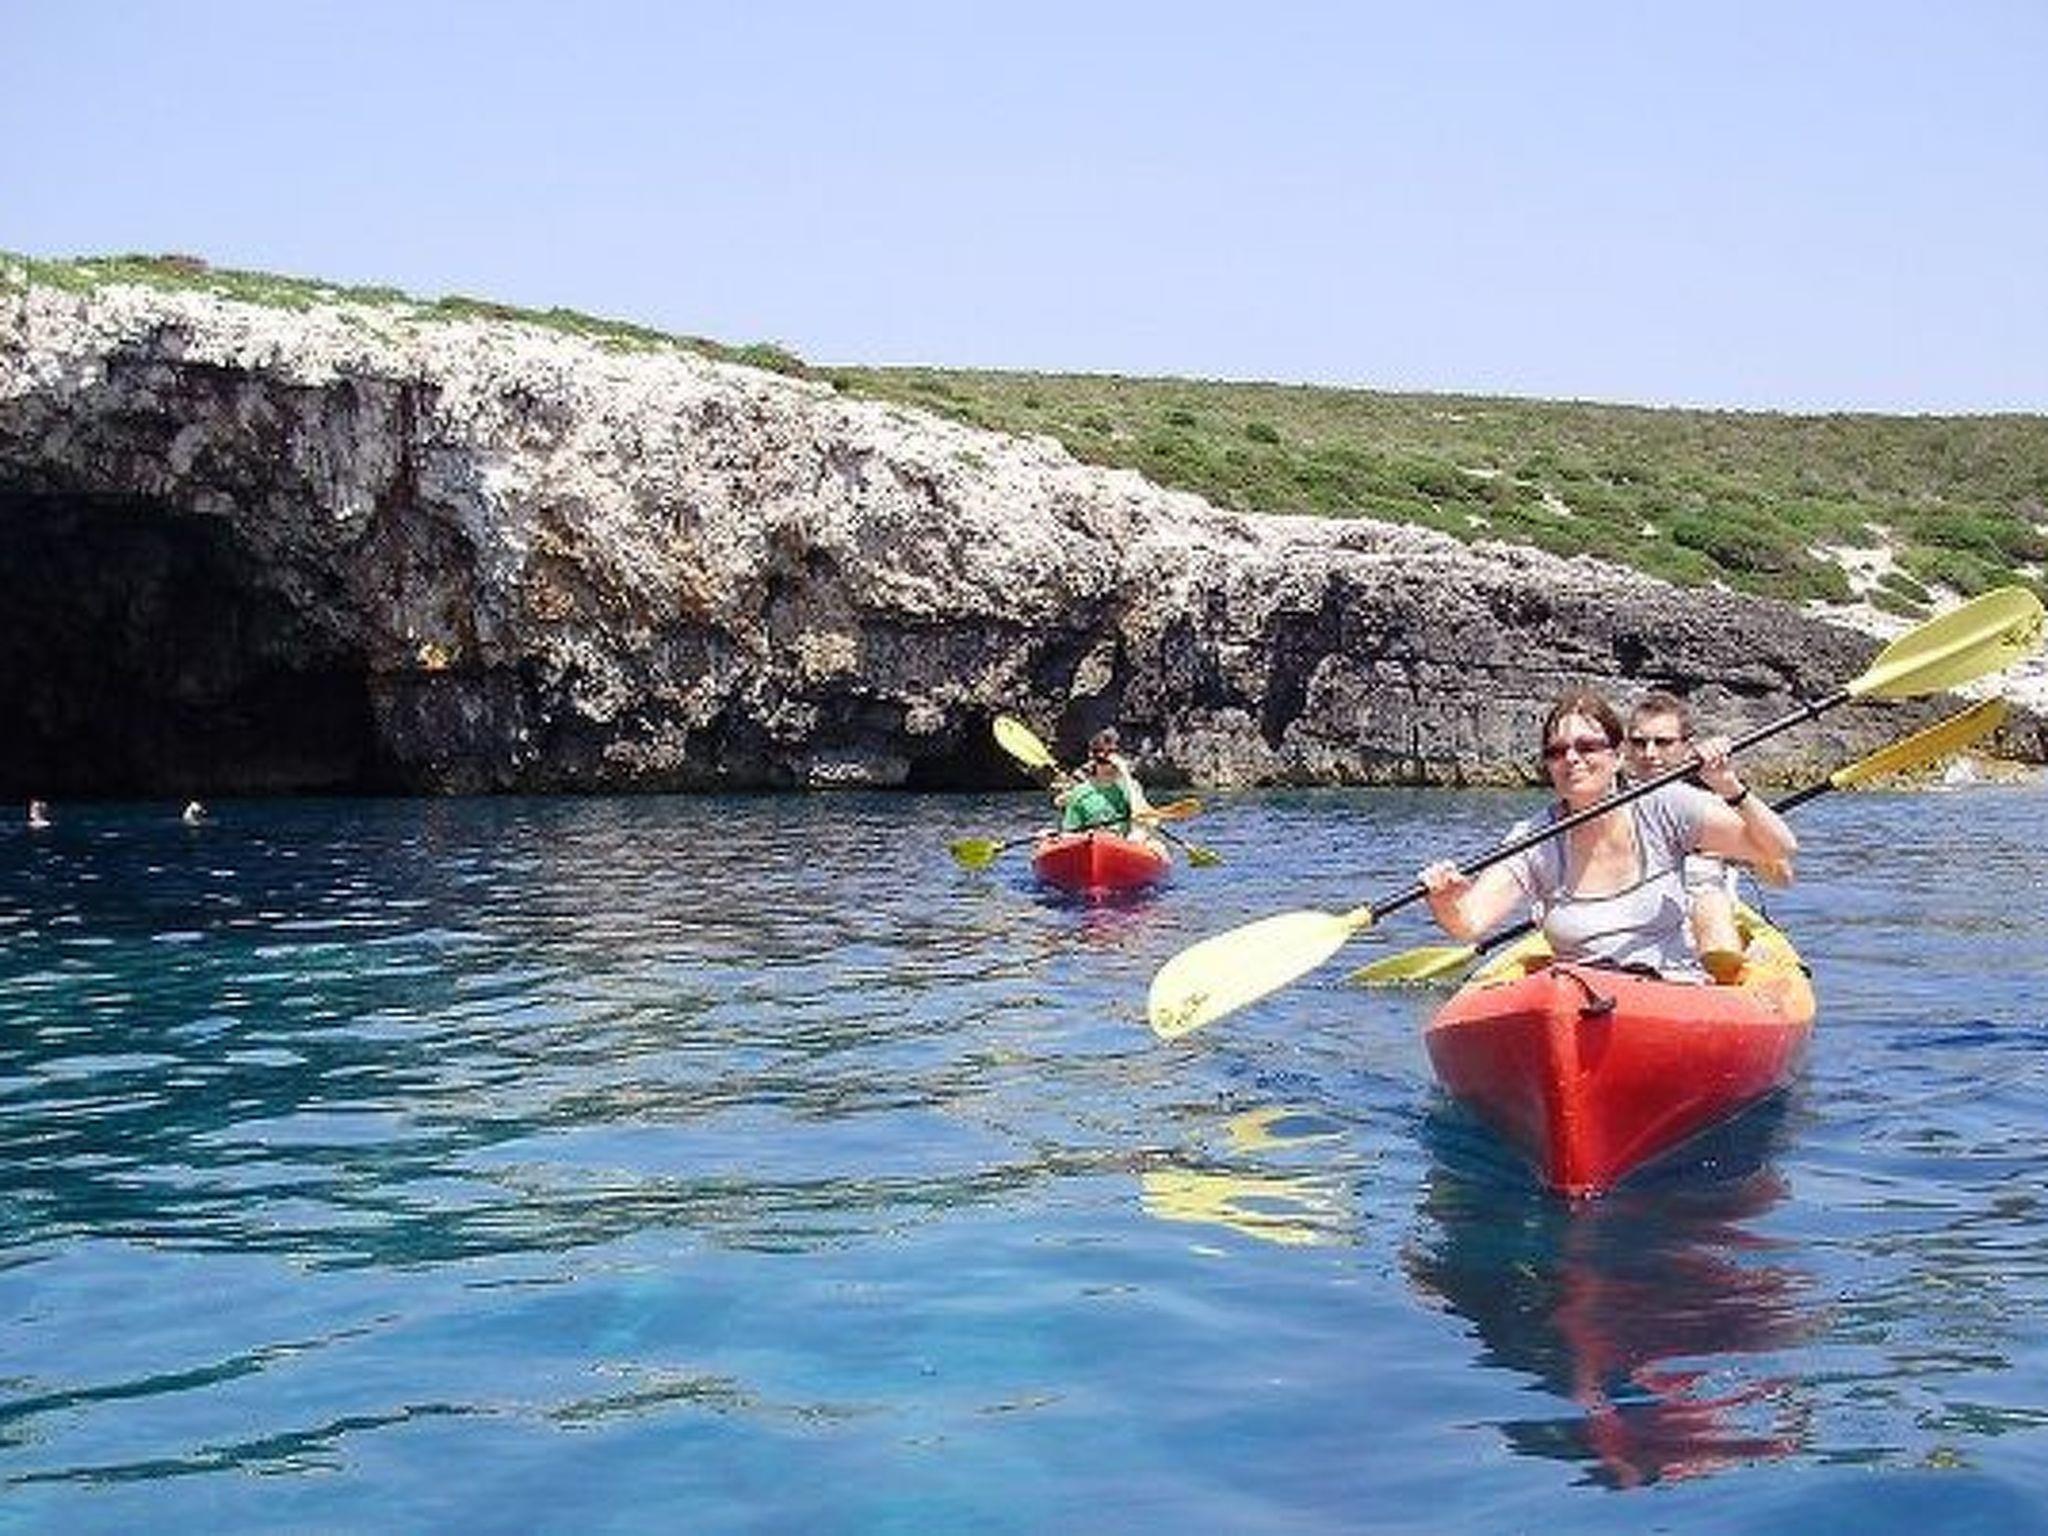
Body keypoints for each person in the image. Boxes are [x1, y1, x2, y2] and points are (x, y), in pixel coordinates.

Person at [1418, 688, 1798, 985]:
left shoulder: (1666, 805)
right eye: (1556, 751)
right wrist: (1446, 901)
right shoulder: (1533, 838)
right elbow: (1468, 923)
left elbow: (1779, 847)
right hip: (1579, 996)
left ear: (1617, 756)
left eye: (1587, 747)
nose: (1571, 759)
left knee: (1712, 903)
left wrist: (1728, 785)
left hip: (1670, 990)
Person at [1624, 690, 1793, 979]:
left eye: (1663, 742)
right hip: (1633, 921)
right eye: (1639, 743)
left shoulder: (1713, 805)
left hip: (1705, 925)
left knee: (1710, 902)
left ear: (1686, 746)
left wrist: (1733, 843)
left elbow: (1782, 877)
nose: (1650, 753)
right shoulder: (1607, 801)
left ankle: (1722, 979)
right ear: (1626, 747)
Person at [1053, 727, 1157, 839]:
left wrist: (1125, 773)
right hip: (1093, 841)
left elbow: (1151, 821)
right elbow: (1069, 832)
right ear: (1095, 760)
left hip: (1126, 841)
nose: (1110, 766)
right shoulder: (1080, 794)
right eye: (1104, 761)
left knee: (1140, 834)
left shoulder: (1130, 788)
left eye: (1114, 760)